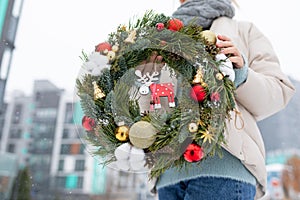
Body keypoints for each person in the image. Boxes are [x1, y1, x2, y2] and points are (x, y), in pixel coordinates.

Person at [152, 0, 296, 199]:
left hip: (224, 171)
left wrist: (240, 73)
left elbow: (278, 93)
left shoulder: (244, 32)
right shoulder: (162, 40)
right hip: (168, 177)